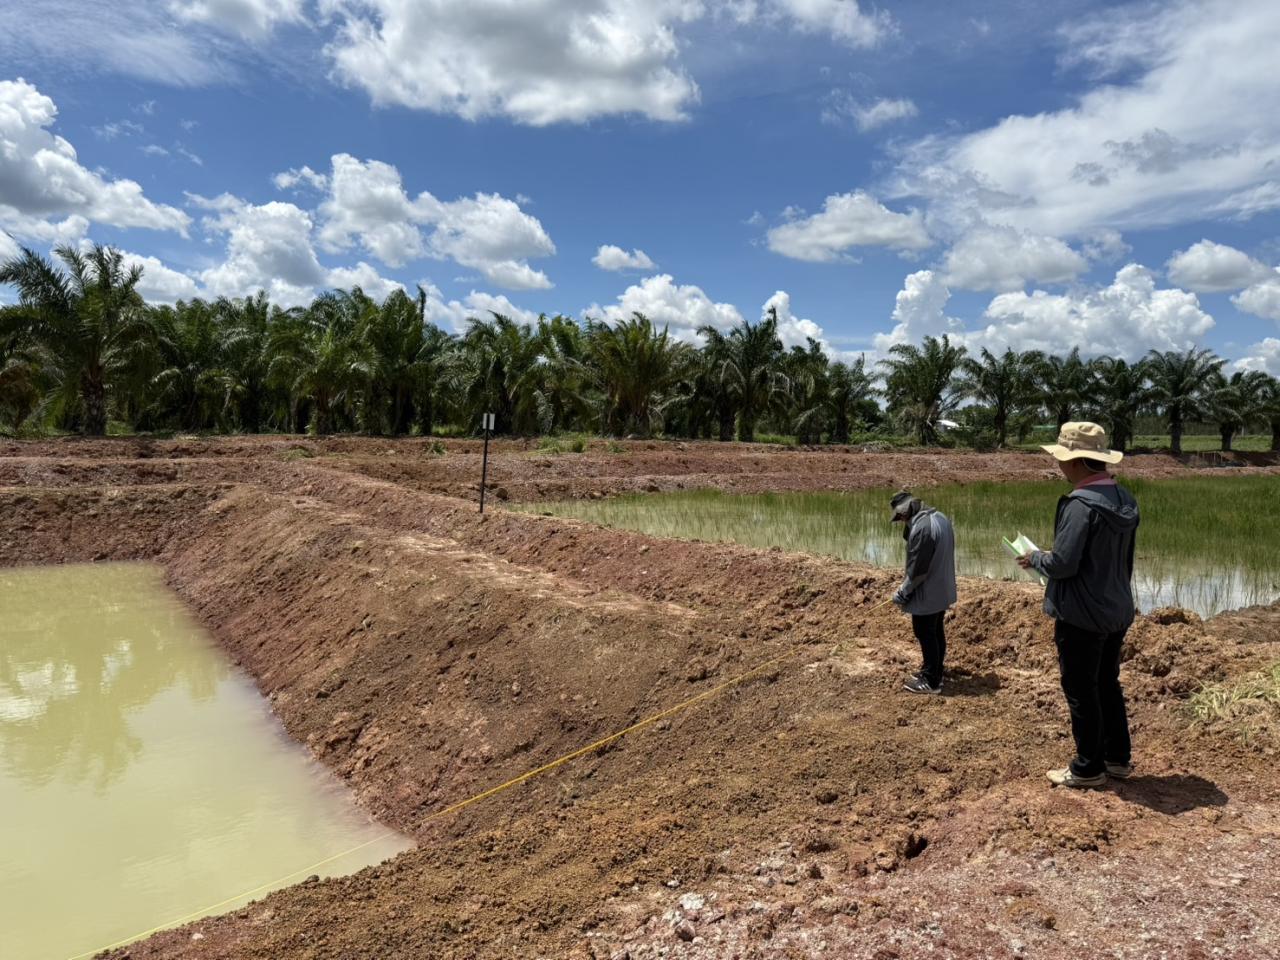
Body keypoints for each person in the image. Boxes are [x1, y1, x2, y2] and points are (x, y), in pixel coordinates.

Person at [1017, 422, 1139, 789]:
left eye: (1062, 459)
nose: (1059, 465)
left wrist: (1036, 557)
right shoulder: (1125, 500)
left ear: (1077, 463)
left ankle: (1088, 767)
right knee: (1106, 682)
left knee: (1080, 688)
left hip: (1082, 615)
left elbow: (1064, 564)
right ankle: (1117, 758)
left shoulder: (1079, 505)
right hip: (1117, 607)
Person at [890, 490, 957, 695]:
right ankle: (935, 671)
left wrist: (902, 592)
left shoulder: (922, 529)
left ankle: (931, 681)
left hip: (928, 592)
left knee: (925, 632)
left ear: (907, 510)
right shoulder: (940, 518)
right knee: (935, 631)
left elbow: (918, 571)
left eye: (901, 516)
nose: (901, 520)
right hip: (942, 588)